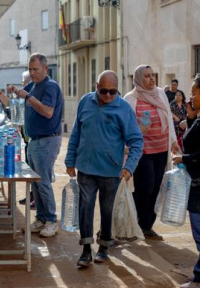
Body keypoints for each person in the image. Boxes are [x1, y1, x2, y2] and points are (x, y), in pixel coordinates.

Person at [65, 70, 144, 267]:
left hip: (111, 172)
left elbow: (137, 141)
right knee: (85, 208)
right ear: (96, 86)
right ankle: (85, 251)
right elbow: (76, 132)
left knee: (107, 210)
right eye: (104, 91)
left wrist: (129, 167)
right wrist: (70, 160)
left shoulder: (123, 109)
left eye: (113, 92)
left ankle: (104, 247)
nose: (108, 96)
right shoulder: (85, 102)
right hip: (86, 168)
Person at [8, 53, 63, 238]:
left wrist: (28, 96)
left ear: (45, 69)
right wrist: (4, 94)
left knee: (44, 182)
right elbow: (17, 105)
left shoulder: (50, 87)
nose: (32, 73)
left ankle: (52, 221)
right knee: (35, 183)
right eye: (30, 69)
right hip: (33, 140)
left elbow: (48, 112)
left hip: (47, 140)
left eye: (35, 69)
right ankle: (41, 218)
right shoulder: (32, 86)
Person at [124, 65, 181, 241]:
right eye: (147, 76)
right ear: (139, 78)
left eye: (152, 75)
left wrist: (173, 141)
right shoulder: (130, 98)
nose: (151, 79)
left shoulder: (160, 94)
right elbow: (126, 124)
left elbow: (168, 119)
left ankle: (146, 226)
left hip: (161, 149)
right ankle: (132, 219)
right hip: (142, 151)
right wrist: (139, 130)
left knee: (157, 188)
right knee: (145, 187)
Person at [0, 71, 35, 207]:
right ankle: (32, 196)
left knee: (36, 173)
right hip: (27, 141)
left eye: (24, 83)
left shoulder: (32, 98)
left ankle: (37, 201)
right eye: (22, 83)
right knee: (30, 169)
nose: (22, 86)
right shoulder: (23, 99)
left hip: (34, 140)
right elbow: (10, 104)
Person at [173, 74, 200, 288]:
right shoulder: (198, 117)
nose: (190, 96)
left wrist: (183, 158)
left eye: (194, 92)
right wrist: (191, 117)